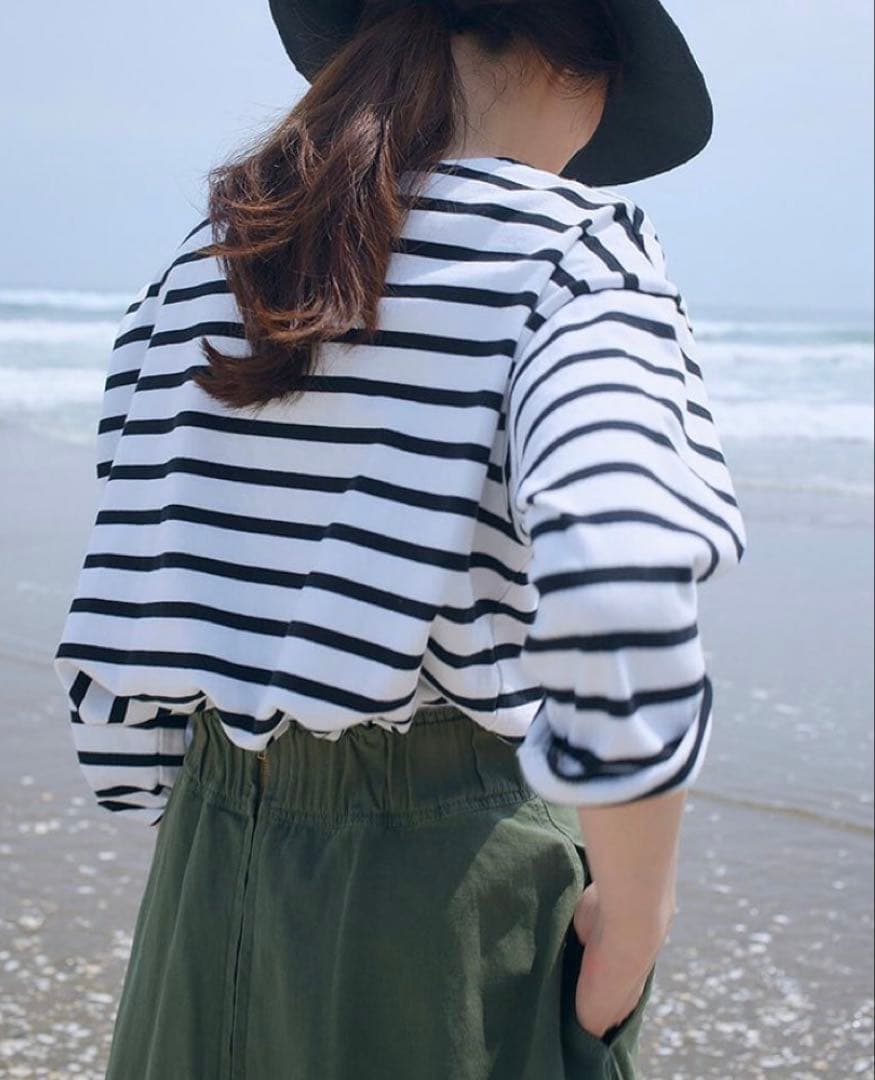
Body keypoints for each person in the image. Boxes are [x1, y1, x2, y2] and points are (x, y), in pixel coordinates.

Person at [52, 1, 748, 1077]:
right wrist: (635, 916)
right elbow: (620, 581)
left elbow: (136, 567)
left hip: (204, 866)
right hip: (441, 881)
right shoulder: (569, 252)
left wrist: (204, 822)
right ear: (577, 64)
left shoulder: (215, 253)